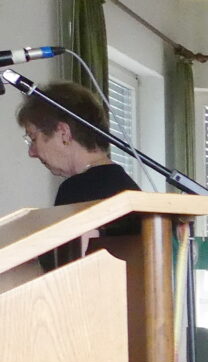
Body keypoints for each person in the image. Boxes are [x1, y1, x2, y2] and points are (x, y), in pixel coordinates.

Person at [16, 81, 140, 267]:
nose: (32, 152)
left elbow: (67, 271)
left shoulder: (77, 189)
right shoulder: (124, 184)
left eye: (33, 138)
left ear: (63, 133)